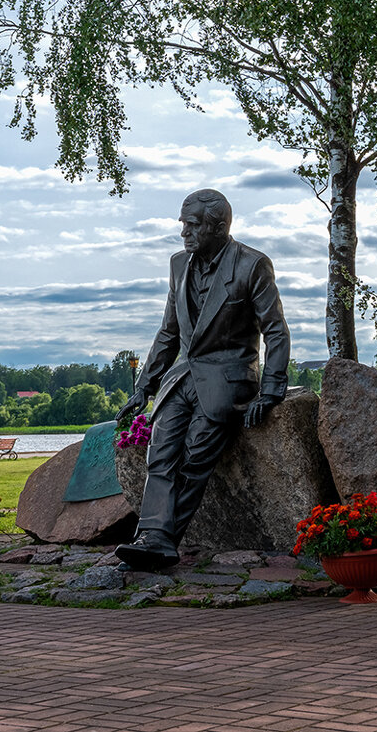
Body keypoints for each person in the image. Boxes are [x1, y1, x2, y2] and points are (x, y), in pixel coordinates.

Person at [113, 188, 290, 571]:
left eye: (192, 225)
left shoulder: (252, 265)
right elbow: (168, 333)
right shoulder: (178, 264)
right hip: (182, 378)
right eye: (183, 224)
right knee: (160, 454)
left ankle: (160, 541)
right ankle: (152, 537)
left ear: (219, 227)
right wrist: (144, 387)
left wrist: (271, 390)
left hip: (228, 380)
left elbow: (276, 331)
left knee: (194, 458)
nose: (184, 232)